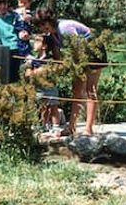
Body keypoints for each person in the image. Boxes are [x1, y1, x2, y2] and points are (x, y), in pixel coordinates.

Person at [33, 7, 106, 138]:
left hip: (92, 49)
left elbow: (77, 45)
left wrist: (71, 64)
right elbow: (59, 57)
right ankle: (71, 127)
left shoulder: (64, 28)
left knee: (90, 89)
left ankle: (89, 128)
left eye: (44, 24)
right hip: (79, 56)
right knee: (76, 89)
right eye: (40, 25)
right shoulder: (53, 35)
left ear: (50, 21)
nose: (43, 27)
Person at [25, 35, 61, 131]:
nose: (34, 43)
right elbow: (28, 74)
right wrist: (29, 66)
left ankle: (56, 127)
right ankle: (44, 125)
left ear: (44, 46)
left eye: (37, 41)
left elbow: (41, 71)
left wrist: (33, 70)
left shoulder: (49, 59)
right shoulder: (34, 59)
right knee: (42, 107)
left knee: (53, 106)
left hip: (49, 87)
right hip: (38, 87)